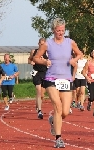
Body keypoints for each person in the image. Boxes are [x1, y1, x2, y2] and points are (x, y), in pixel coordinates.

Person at [33, 18, 81, 148]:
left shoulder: (70, 42)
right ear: (53, 30)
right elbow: (36, 58)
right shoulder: (47, 44)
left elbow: (80, 53)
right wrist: (45, 62)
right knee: (58, 107)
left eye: (63, 30)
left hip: (66, 79)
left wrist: (74, 60)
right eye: (58, 30)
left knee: (65, 112)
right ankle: (58, 138)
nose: (61, 32)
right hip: (51, 78)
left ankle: (53, 120)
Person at [28, 38, 48, 119]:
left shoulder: (48, 52)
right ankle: (39, 111)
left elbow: (51, 62)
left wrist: (45, 60)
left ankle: (37, 105)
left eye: (43, 44)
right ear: (38, 44)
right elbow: (29, 59)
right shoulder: (34, 51)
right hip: (36, 73)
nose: (41, 45)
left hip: (45, 73)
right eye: (40, 44)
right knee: (38, 90)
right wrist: (31, 62)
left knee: (42, 95)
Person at [82, 49, 94, 116]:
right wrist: (87, 78)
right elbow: (83, 72)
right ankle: (89, 102)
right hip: (90, 81)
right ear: (91, 54)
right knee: (91, 97)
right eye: (93, 53)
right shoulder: (88, 62)